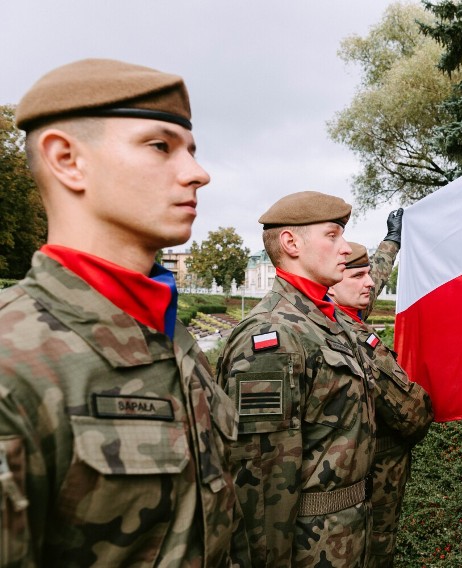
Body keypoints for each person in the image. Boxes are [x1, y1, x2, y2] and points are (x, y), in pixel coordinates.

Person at [0, 59, 248, 566]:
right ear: (68, 159)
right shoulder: (12, 359)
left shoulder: (170, 336)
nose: (198, 173)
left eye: (192, 151)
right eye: (160, 146)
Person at [216, 191, 374, 567]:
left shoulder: (326, 320)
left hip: (347, 533)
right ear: (291, 243)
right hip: (309, 547)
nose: (346, 248)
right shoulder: (273, 337)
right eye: (333, 235)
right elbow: (260, 480)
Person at [326, 233, 433, 568]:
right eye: (358, 277)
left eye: (369, 274)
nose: (370, 283)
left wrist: (391, 242)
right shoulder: (349, 334)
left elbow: (378, 274)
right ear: (329, 283)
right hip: (374, 481)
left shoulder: (345, 309)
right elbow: (412, 416)